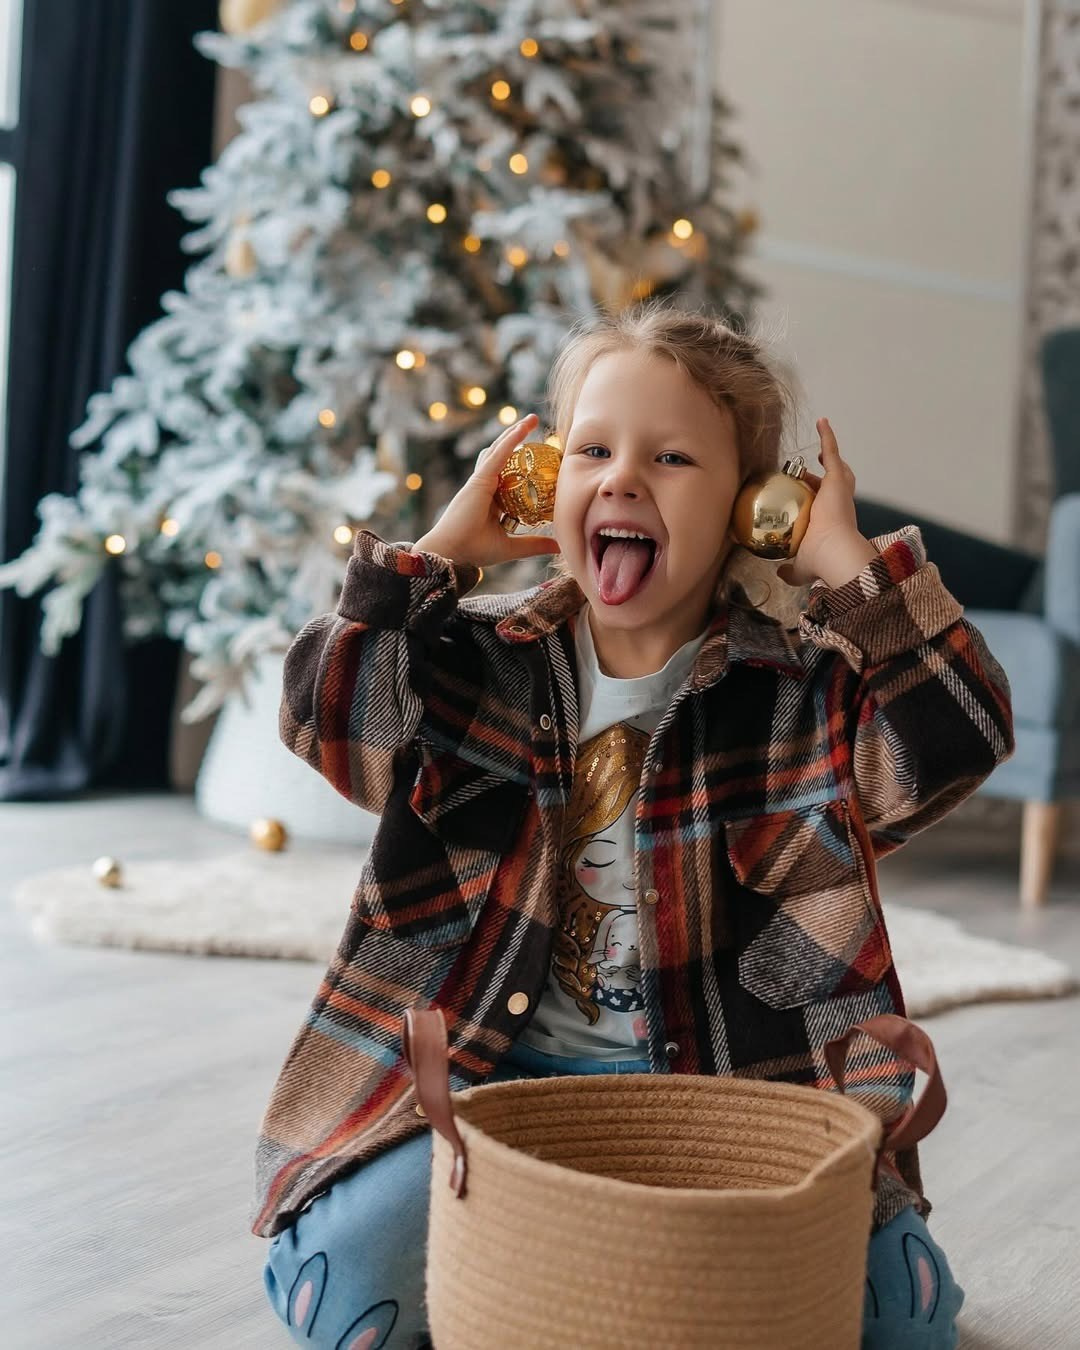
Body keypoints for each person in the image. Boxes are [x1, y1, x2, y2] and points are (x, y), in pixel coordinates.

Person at [255, 302, 1014, 1349]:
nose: (622, 480)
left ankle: (593, 1270)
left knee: (905, 1321)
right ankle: (576, 1263)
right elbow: (326, 721)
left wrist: (849, 563)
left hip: (725, 1106)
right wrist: (438, 557)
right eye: (593, 451)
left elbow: (961, 737)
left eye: (671, 459)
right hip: (483, 1085)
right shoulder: (475, 660)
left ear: (752, 508)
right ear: (544, 483)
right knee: (345, 1303)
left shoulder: (805, 694)